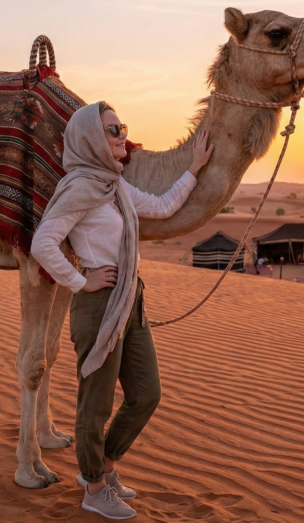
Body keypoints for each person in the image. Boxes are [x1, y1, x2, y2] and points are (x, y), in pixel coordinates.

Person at [31, 101, 213, 520]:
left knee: (147, 394)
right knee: (94, 405)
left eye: (122, 128)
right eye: (114, 131)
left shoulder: (114, 186)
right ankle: (93, 487)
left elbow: (164, 206)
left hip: (131, 301)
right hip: (98, 304)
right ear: (93, 139)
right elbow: (44, 242)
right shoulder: (79, 188)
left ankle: (105, 465)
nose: (123, 137)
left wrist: (195, 168)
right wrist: (81, 280)